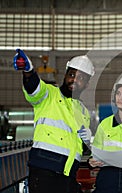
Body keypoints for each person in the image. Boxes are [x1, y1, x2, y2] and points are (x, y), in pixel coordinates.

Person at [13, 49, 94, 193]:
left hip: (68, 175)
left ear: (87, 85)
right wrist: (28, 70)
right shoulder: (49, 94)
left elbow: (78, 146)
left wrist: (87, 142)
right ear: (65, 75)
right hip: (45, 173)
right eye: (72, 74)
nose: (74, 80)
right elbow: (34, 87)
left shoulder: (83, 112)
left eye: (81, 78)